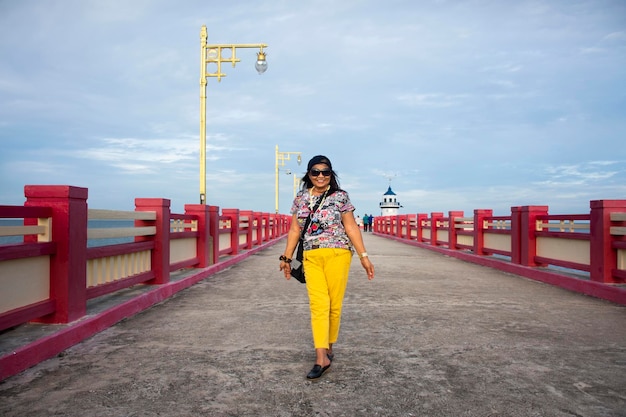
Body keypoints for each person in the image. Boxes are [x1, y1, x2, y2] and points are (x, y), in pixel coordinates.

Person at [279, 155, 375, 380]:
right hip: (312, 255)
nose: (320, 176)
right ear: (309, 175)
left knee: (333, 305)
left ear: (331, 174)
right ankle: (321, 356)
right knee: (319, 305)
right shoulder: (301, 198)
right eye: (315, 172)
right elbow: (295, 229)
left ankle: (329, 346)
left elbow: (350, 226)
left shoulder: (340, 197)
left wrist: (364, 256)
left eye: (325, 172)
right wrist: (286, 256)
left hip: (339, 254)